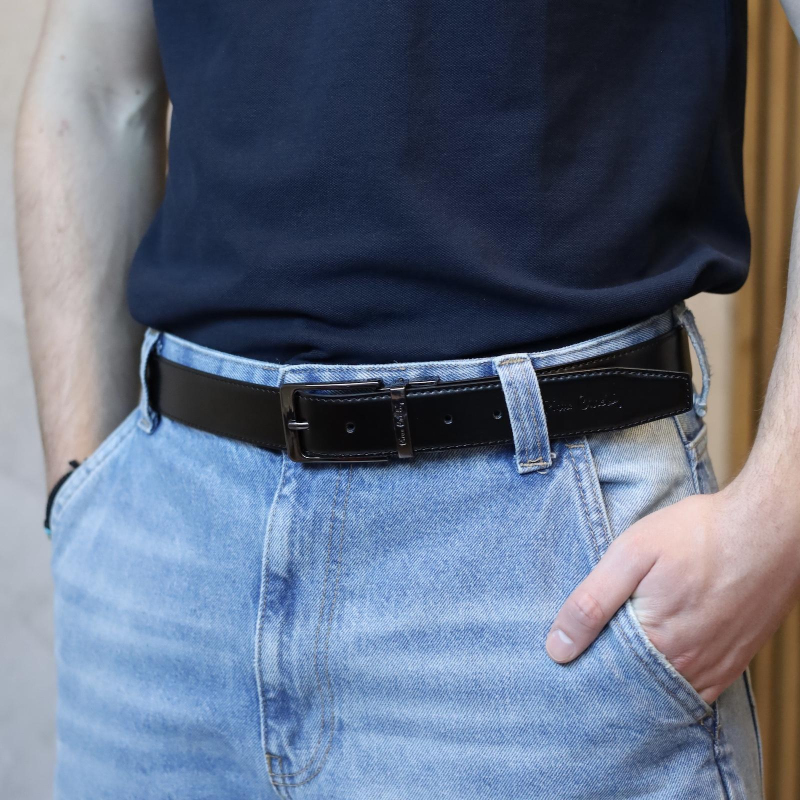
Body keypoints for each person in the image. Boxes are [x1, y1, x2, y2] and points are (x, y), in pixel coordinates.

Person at [14, 0, 800, 796]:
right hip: (165, 569)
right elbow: (94, 85)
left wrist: (774, 524)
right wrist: (82, 499)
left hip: (538, 582)